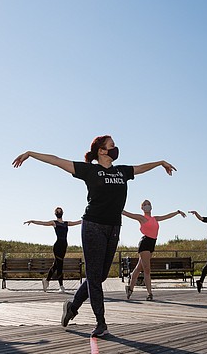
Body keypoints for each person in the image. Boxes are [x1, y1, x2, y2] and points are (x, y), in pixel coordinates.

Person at [13, 135, 176, 337]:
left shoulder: (121, 171)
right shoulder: (90, 170)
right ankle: (101, 323)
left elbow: (141, 168)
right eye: (112, 146)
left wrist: (160, 162)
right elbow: (57, 161)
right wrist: (30, 153)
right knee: (93, 276)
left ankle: (72, 307)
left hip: (114, 227)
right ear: (101, 151)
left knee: (98, 276)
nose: (115, 149)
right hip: (93, 226)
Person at [122, 201, 186, 301]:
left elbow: (167, 216)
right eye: (145, 204)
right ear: (142, 208)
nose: (147, 205)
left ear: (151, 207)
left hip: (152, 244)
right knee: (147, 269)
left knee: (139, 268)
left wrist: (177, 212)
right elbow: (127, 213)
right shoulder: (141, 218)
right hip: (145, 243)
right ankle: (149, 293)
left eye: (148, 204)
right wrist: (115, 206)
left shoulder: (155, 218)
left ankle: (130, 288)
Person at [24, 207, 82, 293]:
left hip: (64, 246)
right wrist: (32, 221)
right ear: (55, 214)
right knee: (60, 265)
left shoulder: (66, 223)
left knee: (56, 265)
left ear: (62, 212)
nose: (59, 213)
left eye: (60, 211)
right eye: (57, 212)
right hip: (57, 246)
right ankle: (61, 286)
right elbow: (43, 223)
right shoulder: (54, 223)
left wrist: (88, 219)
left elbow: (78, 222)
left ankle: (46, 281)